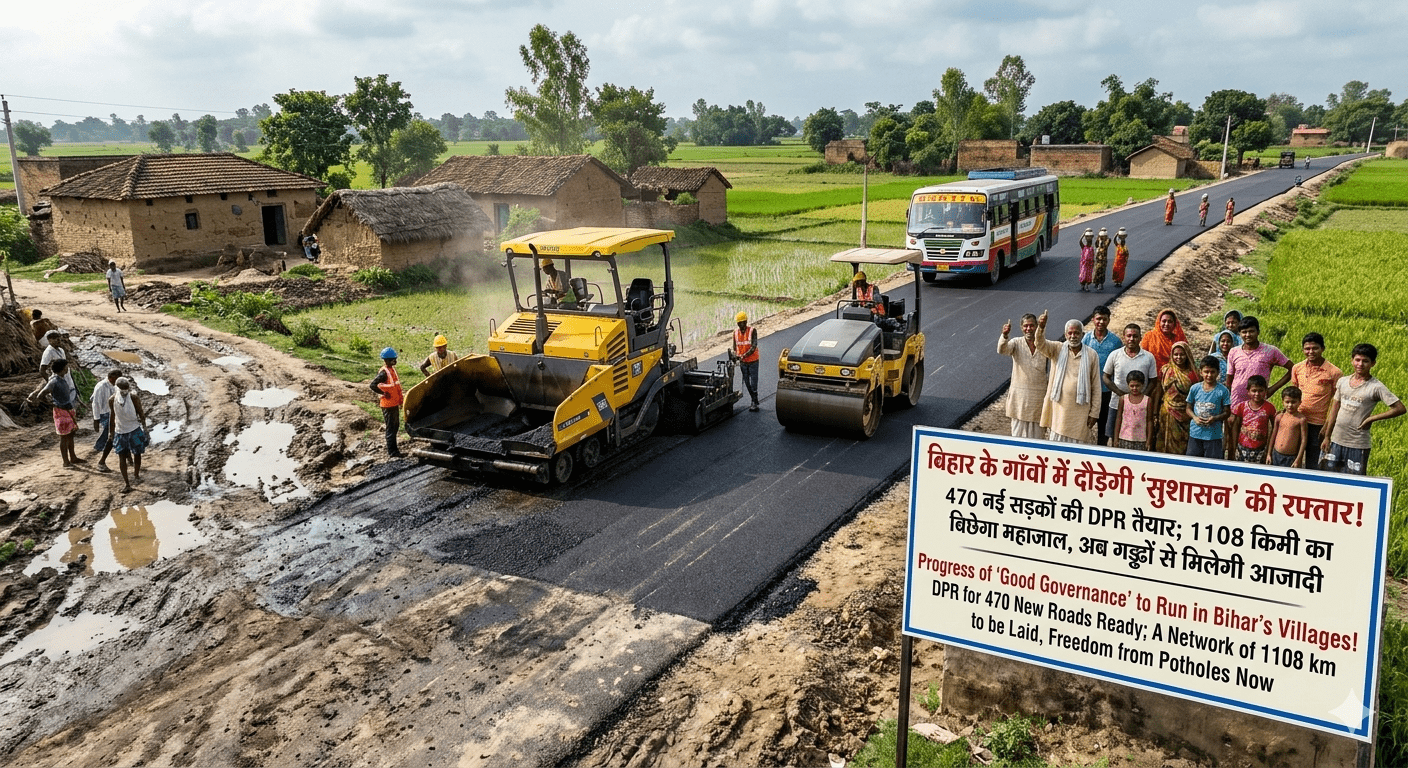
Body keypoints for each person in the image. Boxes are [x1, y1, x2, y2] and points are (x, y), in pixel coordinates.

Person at [1321, 343, 1405, 475]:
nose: (1360, 364)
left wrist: (1371, 419)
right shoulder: (1342, 381)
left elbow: (1399, 408)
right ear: (1352, 360)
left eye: (1365, 361)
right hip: (1336, 440)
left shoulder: (1376, 387)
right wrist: (1327, 436)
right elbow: (1334, 410)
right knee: (1329, 479)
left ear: (1373, 363)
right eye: (1357, 360)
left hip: (1358, 444)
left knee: (1355, 483)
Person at [1040, 319, 1101, 444]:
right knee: (1057, 449)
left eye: (1077, 333)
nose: (1073, 336)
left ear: (1082, 335)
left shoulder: (1091, 354)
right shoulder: (1057, 349)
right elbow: (1040, 344)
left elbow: (1096, 386)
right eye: (1070, 333)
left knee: (1077, 451)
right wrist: (1041, 328)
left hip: (1081, 412)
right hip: (1059, 410)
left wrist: (1094, 413)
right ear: (1065, 334)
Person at [998, 311, 1056, 438]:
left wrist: (1042, 327)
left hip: (1038, 397)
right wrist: (1004, 335)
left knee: (1038, 437)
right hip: (1020, 399)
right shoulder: (1016, 343)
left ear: (1036, 326)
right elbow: (1002, 350)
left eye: (1031, 325)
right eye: (1025, 326)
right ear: (1021, 328)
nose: (1028, 329)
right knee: (1018, 436)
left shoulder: (1044, 345)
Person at [1289, 332, 1342, 468]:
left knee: (1313, 460)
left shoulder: (1334, 372)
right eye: (1307, 349)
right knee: (1292, 457)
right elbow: (1292, 394)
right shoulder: (1297, 368)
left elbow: (1336, 402)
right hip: (1298, 419)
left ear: (1322, 349)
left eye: (1315, 348)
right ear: (1303, 350)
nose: (1311, 352)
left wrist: (1327, 425)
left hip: (1318, 424)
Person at [1102, 322, 1160, 444]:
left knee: (1137, 437)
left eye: (1135, 336)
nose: (1131, 339)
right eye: (1129, 336)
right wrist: (1120, 394)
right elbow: (1106, 377)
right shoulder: (1115, 355)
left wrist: (1141, 397)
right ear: (1124, 337)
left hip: (1140, 407)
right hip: (1116, 404)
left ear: (1140, 338)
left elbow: (1153, 381)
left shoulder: (1148, 357)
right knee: (1114, 437)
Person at [26, 358, 85, 469]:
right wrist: (54, 403)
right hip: (61, 411)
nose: (68, 369)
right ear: (63, 369)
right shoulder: (54, 381)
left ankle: (73, 457)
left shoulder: (61, 378)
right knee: (64, 436)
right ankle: (66, 462)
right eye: (66, 367)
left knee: (71, 434)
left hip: (68, 409)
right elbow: (41, 395)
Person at [1083, 307, 1122, 446]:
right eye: (1098, 318)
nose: (1101, 322)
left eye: (1104, 319)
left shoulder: (1115, 342)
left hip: (1106, 392)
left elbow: (1119, 366)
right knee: (1084, 424)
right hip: (1088, 390)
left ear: (1109, 320)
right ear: (1093, 319)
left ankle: (1101, 452)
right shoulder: (1086, 339)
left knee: (1104, 428)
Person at [1186, 355, 1232, 459]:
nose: (1209, 375)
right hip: (1195, 433)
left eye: (1212, 372)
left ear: (1218, 372)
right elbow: (1188, 408)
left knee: (1212, 464)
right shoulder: (1195, 388)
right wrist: (1194, 417)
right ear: (1201, 372)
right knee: (1193, 462)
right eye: (1206, 372)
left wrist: (1215, 418)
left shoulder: (1223, 391)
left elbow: (1227, 412)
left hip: (1213, 435)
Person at [107, 376, 148, 491]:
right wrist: (145, 429)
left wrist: (111, 432)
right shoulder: (131, 397)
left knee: (126, 456)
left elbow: (113, 417)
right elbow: (141, 413)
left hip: (123, 431)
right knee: (135, 454)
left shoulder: (113, 399)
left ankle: (130, 481)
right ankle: (133, 477)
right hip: (130, 430)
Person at [1157, 342, 1197, 456]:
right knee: (1163, 444)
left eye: (1182, 354)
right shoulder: (1165, 370)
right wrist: (1155, 412)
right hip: (1166, 412)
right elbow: (1159, 390)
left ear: (1187, 355)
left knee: (1181, 446)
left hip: (1184, 414)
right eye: (1176, 354)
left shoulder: (1193, 374)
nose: (1178, 357)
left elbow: (1196, 397)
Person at [1229, 375, 1276, 463]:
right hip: (1242, 447)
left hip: (1260, 449)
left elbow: (1274, 428)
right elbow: (1235, 426)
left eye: (1260, 391)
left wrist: (1269, 449)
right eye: (1254, 391)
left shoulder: (1269, 408)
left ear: (1265, 391)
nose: (1257, 394)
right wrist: (1234, 446)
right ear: (1248, 391)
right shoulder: (1241, 406)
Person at [370, 347, 404, 457]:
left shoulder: (391, 370)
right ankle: (392, 452)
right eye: (393, 359)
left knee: (395, 426)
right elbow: (372, 385)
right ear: (387, 360)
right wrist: (383, 393)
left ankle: (394, 450)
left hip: (393, 404)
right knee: (391, 428)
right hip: (387, 405)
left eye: (395, 359)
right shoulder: (384, 373)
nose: (395, 361)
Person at [1112, 370, 1154, 452]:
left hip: (1141, 439)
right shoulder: (1123, 399)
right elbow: (1118, 419)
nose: (1134, 388)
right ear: (1128, 385)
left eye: (1137, 386)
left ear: (1142, 385)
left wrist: (1149, 440)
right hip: (1124, 438)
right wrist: (1116, 438)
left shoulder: (1147, 400)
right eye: (1132, 386)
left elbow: (1149, 421)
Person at [1267, 386, 1308, 468]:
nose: (1290, 405)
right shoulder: (1279, 417)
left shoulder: (1301, 419)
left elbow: (1303, 440)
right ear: (1283, 402)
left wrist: (1298, 459)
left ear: (1299, 402)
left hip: (1290, 457)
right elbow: (1273, 435)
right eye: (1287, 402)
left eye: (1293, 402)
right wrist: (1269, 453)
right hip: (1276, 454)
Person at [91, 368, 121, 473]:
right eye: (117, 379)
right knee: (111, 432)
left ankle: (101, 447)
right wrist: (96, 419)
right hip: (103, 413)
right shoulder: (100, 387)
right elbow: (95, 404)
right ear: (111, 378)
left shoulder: (115, 386)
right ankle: (101, 457)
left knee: (115, 432)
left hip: (112, 411)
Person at [733, 311, 761, 412]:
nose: (740, 325)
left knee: (753, 383)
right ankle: (754, 399)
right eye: (738, 323)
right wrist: (734, 356)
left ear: (746, 322)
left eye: (742, 322)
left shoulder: (753, 331)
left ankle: (754, 402)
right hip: (743, 363)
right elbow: (734, 347)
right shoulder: (735, 333)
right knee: (747, 383)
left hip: (753, 361)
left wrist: (744, 355)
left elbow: (754, 346)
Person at [39, 330, 77, 396]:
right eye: (54, 338)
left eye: (58, 337)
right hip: (57, 379)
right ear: (49, 340)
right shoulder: (48, 352)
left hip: (66, 378)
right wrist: (51, 383)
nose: (57, 340)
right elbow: (42, 370)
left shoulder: (61, 350)